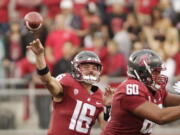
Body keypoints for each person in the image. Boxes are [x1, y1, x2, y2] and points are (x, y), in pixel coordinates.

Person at [27, 39, 112, 135]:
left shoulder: (99, 95)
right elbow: (47, 80)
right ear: (76, 68)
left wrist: (108, 107)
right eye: (86, 67)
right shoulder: (67, 81)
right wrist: (40, 56)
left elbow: (106, 129)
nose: (91, 70)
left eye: (94, 68)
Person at [101, 49, 180, 135]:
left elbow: (167, 98)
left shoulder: (153, 88)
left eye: (159, 72)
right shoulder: (130, 88)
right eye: (155, 72)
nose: (159, 75)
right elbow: (160, 116)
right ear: (141, 72)